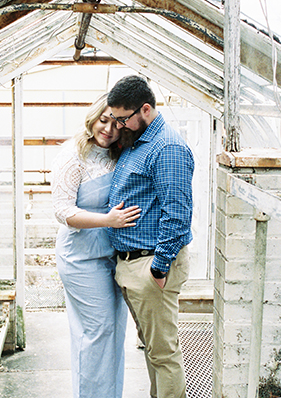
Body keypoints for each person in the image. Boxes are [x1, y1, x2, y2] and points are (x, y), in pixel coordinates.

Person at [107, 75, 194, 398]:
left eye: (123, 118)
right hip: (133, 264)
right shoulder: (137, 142)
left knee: (164, 353)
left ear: (145, 109)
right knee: (153, 350)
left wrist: (159, 268)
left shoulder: (167, 147)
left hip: (151, 266)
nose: (119, 126)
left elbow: (178, 213)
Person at [51, 93, 142, 398]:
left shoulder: (117, 154)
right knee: (97, 333)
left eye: (117, 123)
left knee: (113, 333)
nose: (109, 129)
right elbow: (63, 212)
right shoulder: (72, 155)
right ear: (92, 118)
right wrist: (109, 221)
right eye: (104, 121)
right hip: (81, 259)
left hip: (108, 257)